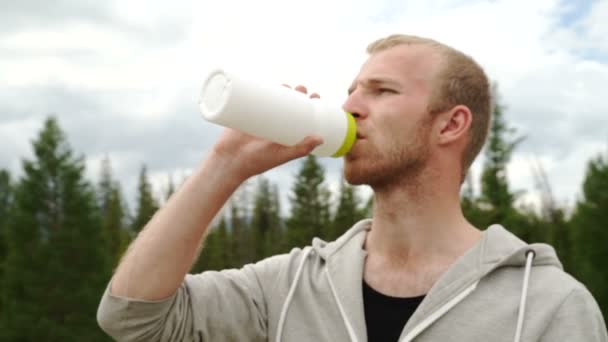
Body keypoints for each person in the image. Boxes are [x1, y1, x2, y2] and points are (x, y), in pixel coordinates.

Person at [97, 34, 607, 341]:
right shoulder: (288, 286)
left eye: (381, 91)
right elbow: (134, 319)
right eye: (351, 91)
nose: (350, 107)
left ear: (451, 126)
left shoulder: (548, 305)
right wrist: (225, 164)